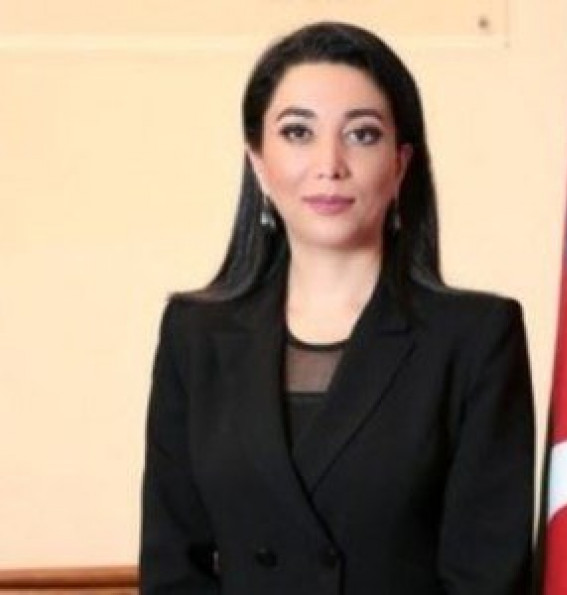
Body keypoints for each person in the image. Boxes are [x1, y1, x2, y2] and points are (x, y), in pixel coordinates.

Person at [139, 21, 535, 595]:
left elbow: (486, 576)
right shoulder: (194, 335)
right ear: (258, 162)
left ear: (400, 164)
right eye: (298, 132)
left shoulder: (475, 338)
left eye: (362, 134)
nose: (329, 163)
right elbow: (173, 569)